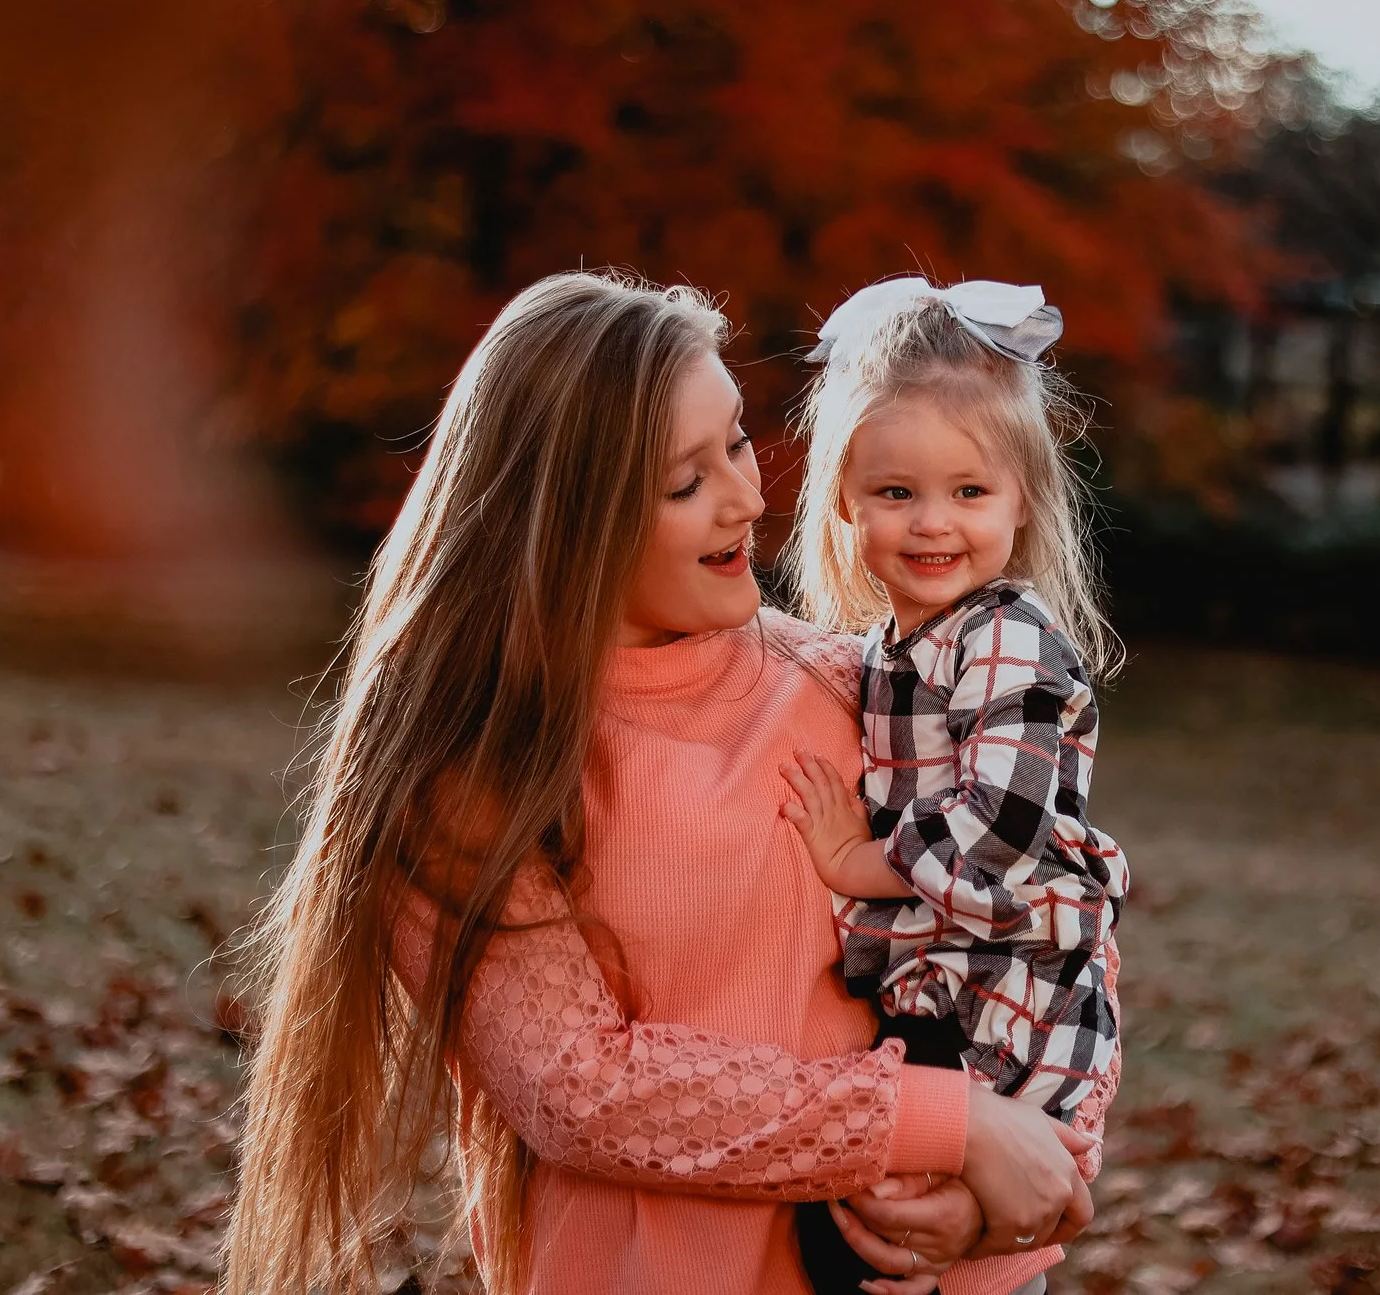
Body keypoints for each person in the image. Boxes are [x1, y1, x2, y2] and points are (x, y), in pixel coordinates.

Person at [224, 271, 1104, 1295]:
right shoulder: (476, 774)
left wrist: (1025, 1166)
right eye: (686, 481)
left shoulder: (849, 676)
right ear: (571, 519)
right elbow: (579, 1087)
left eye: (736, 441)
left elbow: (1052, 905)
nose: (748, 497)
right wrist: (942, 1120)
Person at [776, 279, 1129, 1295]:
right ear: (845, 494)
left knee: (970, 1243)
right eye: (896, 492)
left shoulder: (1010, 639)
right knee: (883, 1236)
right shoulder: (896, 644)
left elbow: (1000, 831)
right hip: (945, 996)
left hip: (1018, 989)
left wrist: (859, 862)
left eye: (968, 492)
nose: (932, 522)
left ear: (1023, 501)